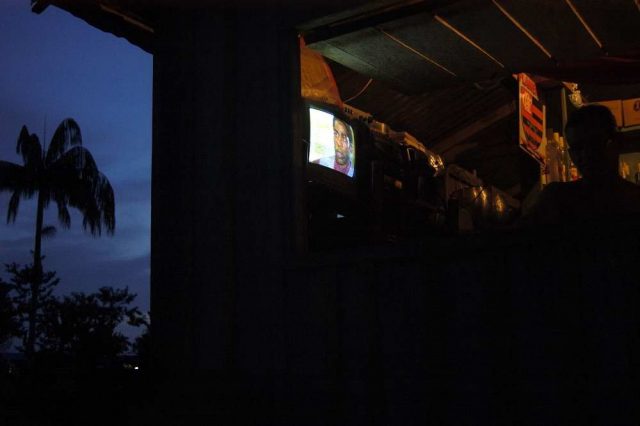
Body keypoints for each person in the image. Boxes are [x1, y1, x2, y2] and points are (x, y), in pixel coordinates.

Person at [521, 104, 640, 226]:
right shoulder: (556, 198)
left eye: (594, 144)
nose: (586, 154)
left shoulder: (558, 198)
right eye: (577, 148)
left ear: (617, 142)